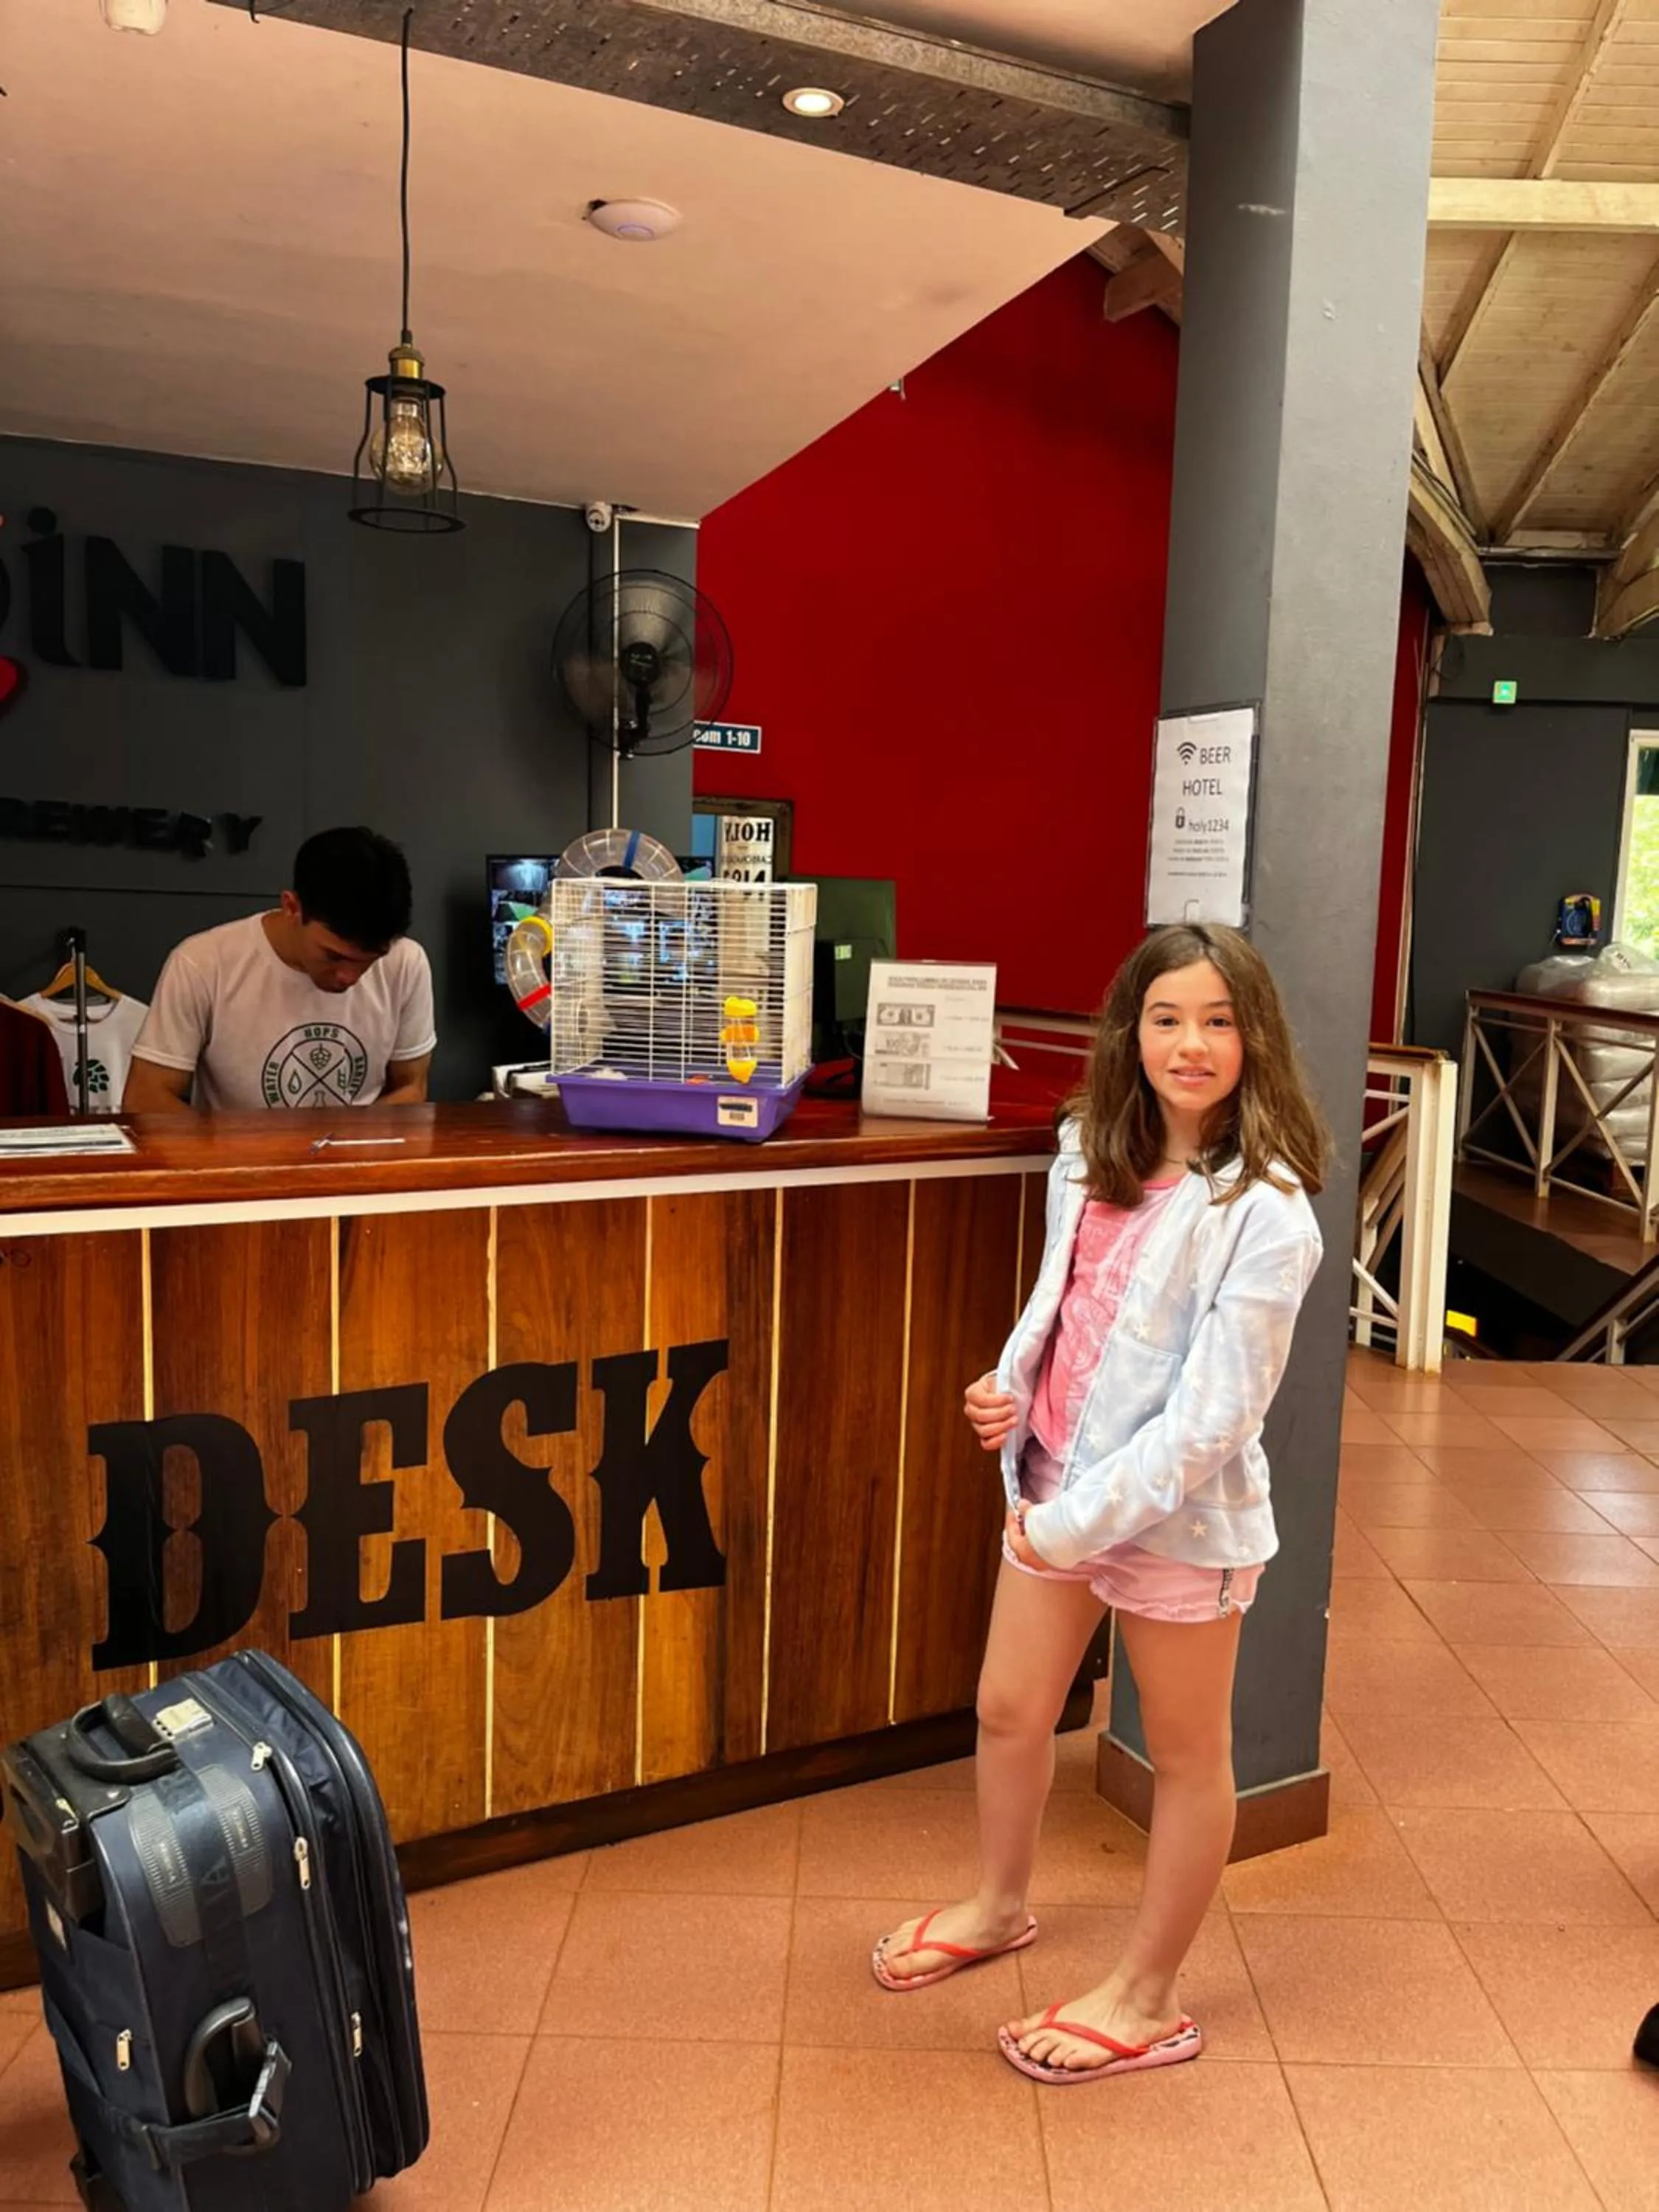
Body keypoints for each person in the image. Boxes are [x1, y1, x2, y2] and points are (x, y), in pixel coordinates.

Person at [872, 922, 1329, 2084]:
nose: (1191, 1043)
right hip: (1051, 1490)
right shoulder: (1085, 1150)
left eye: (1218, 1021)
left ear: (1253, 1039)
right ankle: (996, 1904)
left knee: (1185, 1756)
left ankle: (1149, 1996)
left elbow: (1208, 1424)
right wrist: (1009, 1390)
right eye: (1167, 1017)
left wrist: (1067, 1524)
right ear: (1128, 1031)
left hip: (1175, 1526)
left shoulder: (1266, 1214)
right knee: (1009, 1708)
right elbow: (1062, 1307)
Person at [123, 827, 436, 1113]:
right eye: (333, 956)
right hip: (238, 1165)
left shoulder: (407, 963)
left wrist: (344, 1144)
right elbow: (146, 1099)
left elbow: (412, 1088)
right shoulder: (202, 963)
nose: (349, 978)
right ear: (292, 908)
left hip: (359, 1163)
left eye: (370, 960)